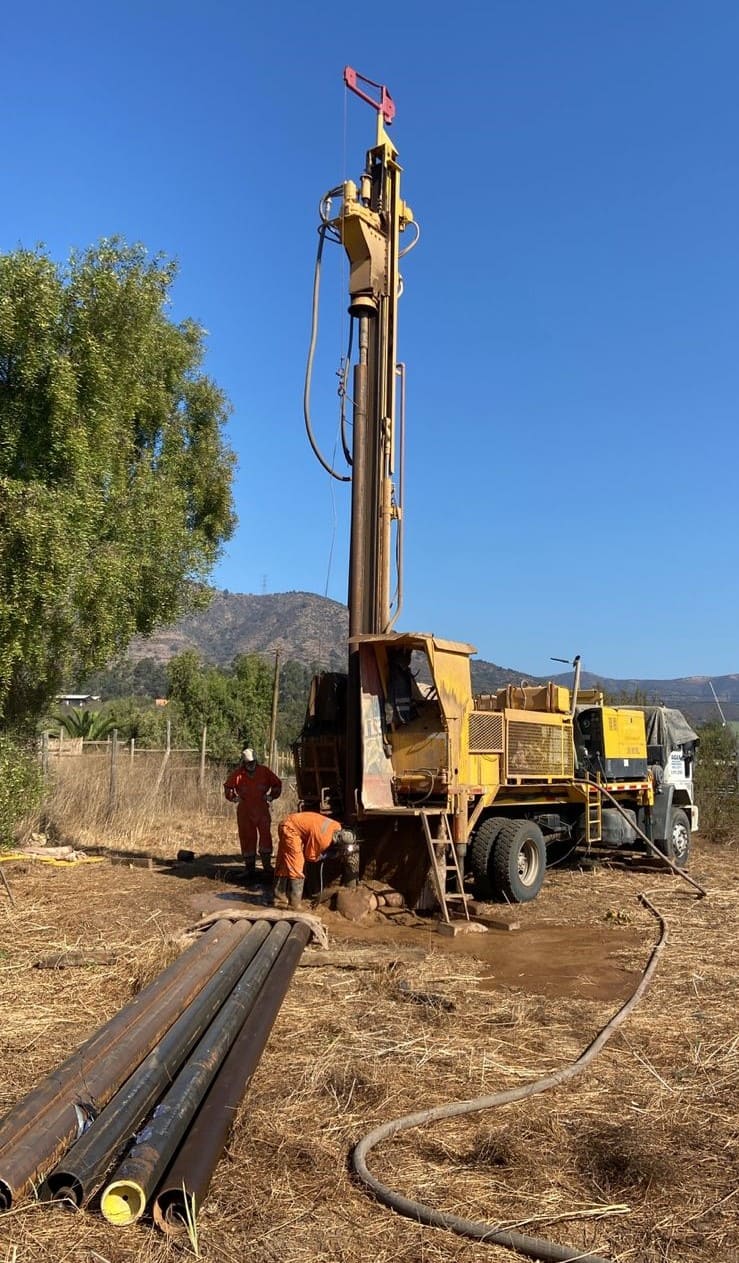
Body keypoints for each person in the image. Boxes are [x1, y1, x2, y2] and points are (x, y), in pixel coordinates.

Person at [273, 811, 354, 910]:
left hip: (289, 823)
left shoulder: (337, 826)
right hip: (290, 829)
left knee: (284, 863)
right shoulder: (324, 840)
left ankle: (279, 899)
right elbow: (310, 857)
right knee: (297, 865)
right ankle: (294, 904)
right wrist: (328, 854)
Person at [223, 748, 282, 881]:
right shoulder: (238, 774)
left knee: (265, 837)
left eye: (253, 762)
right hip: (245, 811)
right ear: (244, 762)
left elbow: (277, 783)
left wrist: (272, 796)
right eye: (248, 763)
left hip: (262, 809)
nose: (251, 765)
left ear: (256, 761)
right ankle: (249, 869)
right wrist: (233, 797)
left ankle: (267, 867)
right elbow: (228, 787)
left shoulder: (264, 771)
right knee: (247, 837)